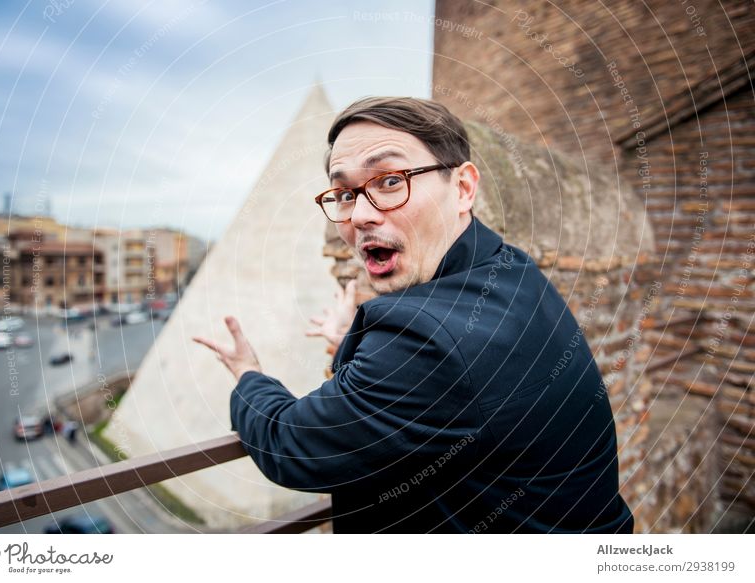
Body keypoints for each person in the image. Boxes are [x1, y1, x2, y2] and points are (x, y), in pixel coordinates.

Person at [193, 96, 635, 533]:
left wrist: (249, 375)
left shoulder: (425, 343)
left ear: (462, 188)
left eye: (389, 181)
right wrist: (349, 339)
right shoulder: (508, 266)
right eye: (345, 193)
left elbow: (292, 445)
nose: (360, 216)